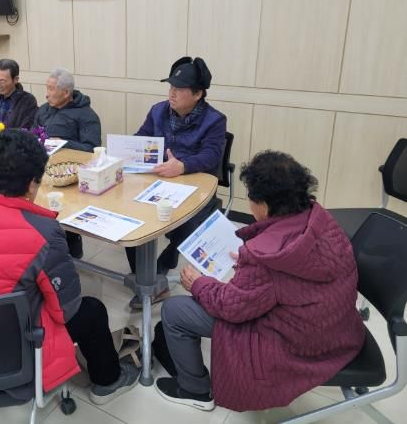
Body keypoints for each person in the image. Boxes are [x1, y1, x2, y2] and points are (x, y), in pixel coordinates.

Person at [153, 151, 365, 412]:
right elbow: (283, 280)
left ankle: (194, 390)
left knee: (175, 310)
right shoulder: (322, 220)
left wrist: (198, 283)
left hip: (294, 344)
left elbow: (232, 307)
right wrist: (252, 260)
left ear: (263, 206)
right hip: (336, 331)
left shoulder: (266, 257)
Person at [0, 129, 139, 404]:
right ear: (33, 184)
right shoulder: (43, 231)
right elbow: (65, 310)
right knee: (91, 311)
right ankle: (108, 383)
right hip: (12, 355)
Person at [126, 56, 226, 308]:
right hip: (157, 182)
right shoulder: (158, 111)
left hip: (194, 187)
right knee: (131, 215)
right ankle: (145, 276)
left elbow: (212, 155)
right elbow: (142, 138)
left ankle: (163, 265)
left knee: (188, 223)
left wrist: (182, 165)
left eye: (180, 89)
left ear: (198, 94)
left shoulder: (214, 120)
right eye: (171, 86)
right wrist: (128, 150)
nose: (172, 93)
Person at [34, 67, 102, 152]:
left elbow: (92, 149)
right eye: (47, 88)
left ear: (66, 93)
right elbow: (33, 135)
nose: (47, 95)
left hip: (69, 159)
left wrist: (64, 144)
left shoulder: (87, 115)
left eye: (51, 89)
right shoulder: (43, 109)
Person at [0, 59, 38, 130]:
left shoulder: (28, 101)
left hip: (10, 137)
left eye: (3, 81)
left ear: (15, 80)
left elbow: (26, 130)